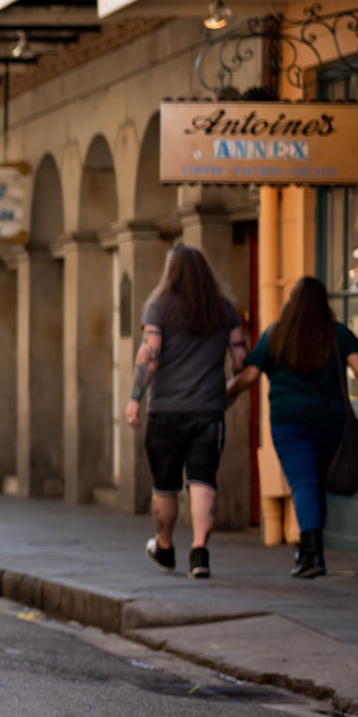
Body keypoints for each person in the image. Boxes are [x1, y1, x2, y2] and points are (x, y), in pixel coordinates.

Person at [226, 276, 358, 578]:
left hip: (289, 423)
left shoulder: (275, 336)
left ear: (292, 305)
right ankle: (310, 551)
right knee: (313, 484)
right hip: (329, 423)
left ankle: (312, 554)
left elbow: (248, 377)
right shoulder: (338, 334)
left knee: (303, 484)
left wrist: (222, 397)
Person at [123, 244, 247, 579]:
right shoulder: (223, 309)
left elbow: (150, 355)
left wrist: (135, 399)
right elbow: (240, 360)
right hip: (208, 411)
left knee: (165, 485)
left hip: (165, 411)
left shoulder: (159, 307)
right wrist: (230, 391)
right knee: (203, 481)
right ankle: (200, 553)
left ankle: (164, 547)